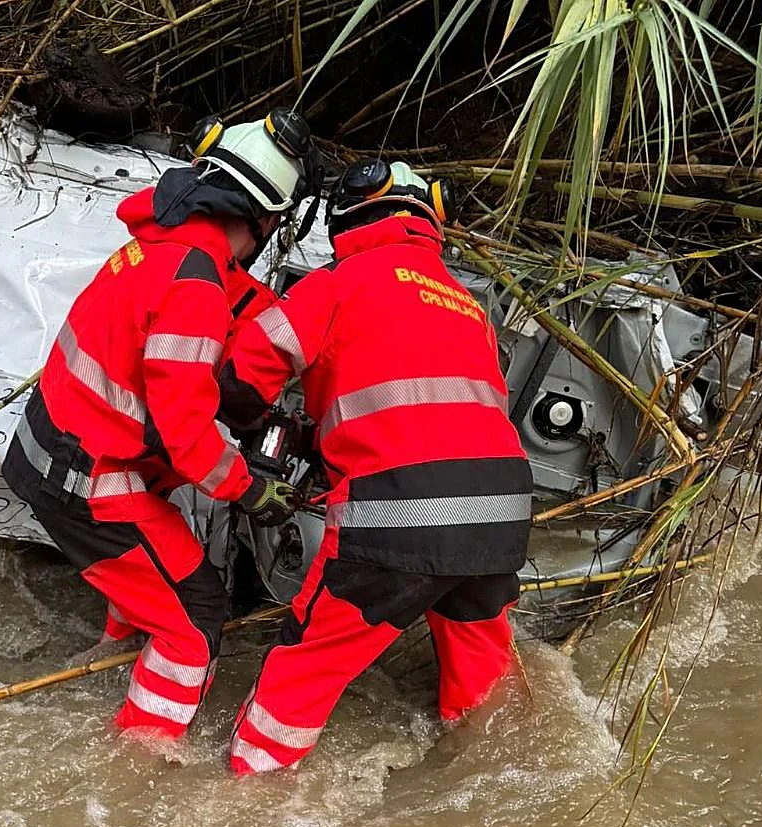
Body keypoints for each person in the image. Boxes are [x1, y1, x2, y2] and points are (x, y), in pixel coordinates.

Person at [1, 111, 318, 738]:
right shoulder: (195, 288)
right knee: (196, 615)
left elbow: (230, 306)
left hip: (53, 454)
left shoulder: (159, 246)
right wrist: (251, 488)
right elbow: (187, 436)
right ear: (262, 219)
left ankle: (114, 653)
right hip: (88, 481)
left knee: (156, 556)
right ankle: (142, 760)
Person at [217, 159, 533, 774]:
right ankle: (496, 784)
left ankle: (246, 791)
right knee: (484, 684)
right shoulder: (469, 307)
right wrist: (319, 440)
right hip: (500, 514)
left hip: (397, 513)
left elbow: (237, 383)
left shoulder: (337, 284)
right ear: (428, 221)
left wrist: (268, 432)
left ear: (347, 218)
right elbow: (433, 410)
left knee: (305, 665)